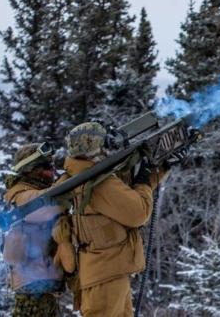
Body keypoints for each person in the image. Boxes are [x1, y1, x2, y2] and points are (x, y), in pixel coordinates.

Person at [64, 121, 170, 317]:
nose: (109, 148)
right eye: (105, 143)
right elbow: (138, 212)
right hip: (106, 275)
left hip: (106, 272)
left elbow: (128, 197)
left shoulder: (83, 176)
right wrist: (143, 180)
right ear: (94, 147)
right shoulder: (97, 182)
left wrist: (162, 167)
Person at [3, 143, 76, 317]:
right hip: (32, 289)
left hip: (43, 286)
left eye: (52, 166)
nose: (53, 171)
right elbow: (51, 203)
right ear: (31, 170)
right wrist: (75, 173)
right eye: (46, 167)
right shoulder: (20, 195)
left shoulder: (36, 191)